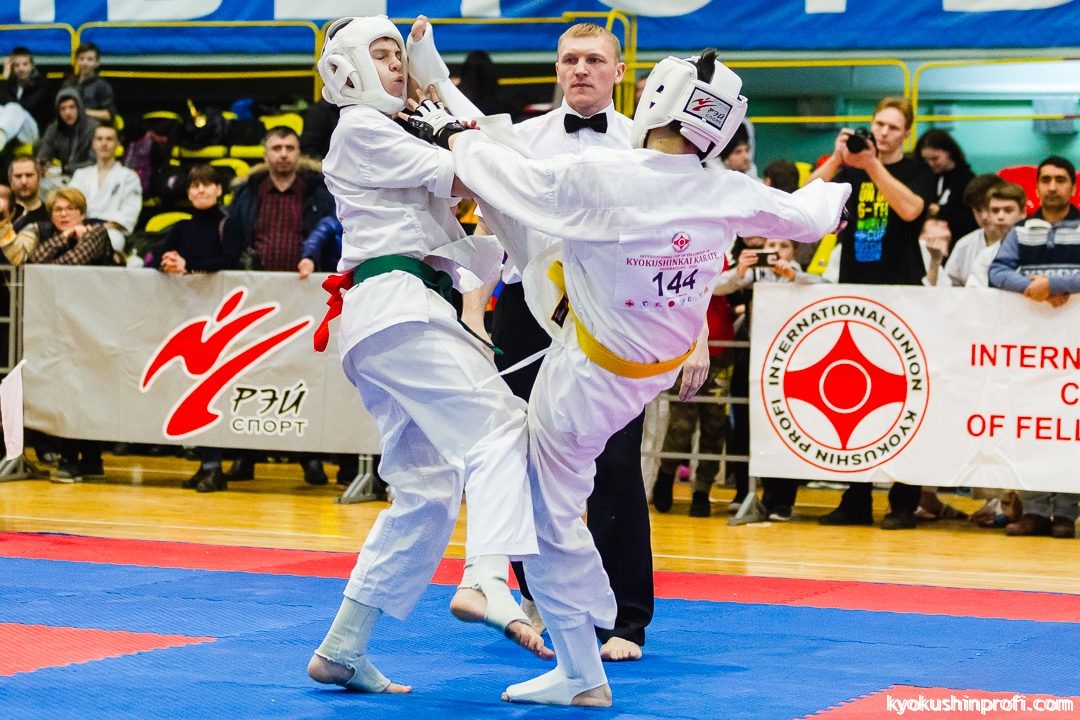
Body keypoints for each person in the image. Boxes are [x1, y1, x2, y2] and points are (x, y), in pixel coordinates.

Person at [404, 42, 848, 705]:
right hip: (638, 365)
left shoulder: (604, 177)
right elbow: (810, 216)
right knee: (531, 235)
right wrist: (837, 188)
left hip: (587, 375)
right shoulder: (726, 189)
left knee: (545, 512)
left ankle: (550, 635)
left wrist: (448, 132)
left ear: (652, 100)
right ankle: (557, 636)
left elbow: (505, 173)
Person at [304, 15, 550, 697]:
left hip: (395, 313)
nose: (395, 66)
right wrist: (443, 106)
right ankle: (487, 576)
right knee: (501, 429)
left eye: (397, 55)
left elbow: (477, 161)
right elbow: (473, 173)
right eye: (381, 55)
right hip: (397, 307)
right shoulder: (360, 126)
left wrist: (434, 83)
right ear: (349, 70)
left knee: (428, 489)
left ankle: (342, 648)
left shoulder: (390, 127)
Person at [457, 21, 656, 663]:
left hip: (614, 312)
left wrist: (696, 333)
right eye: (570, 59)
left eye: (594, 59)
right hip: (525, 308)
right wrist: (474, 309)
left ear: (618, 72)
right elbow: (488, 225)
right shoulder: (521, 139)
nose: (581, 69)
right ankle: (538, 595)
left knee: (615, 463)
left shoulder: (647, 145)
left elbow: (678, 240)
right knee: (525, 456)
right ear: (557, 69)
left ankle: (626, 618)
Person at [806, 96, 936, 530]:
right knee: (851, 394)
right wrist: (838, 160)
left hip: (902, 294)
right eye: (879, 124)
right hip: (856, 292)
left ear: (906, 134)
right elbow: (804, 203)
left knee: (905, 398)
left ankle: (904, 502)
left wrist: (872, 165)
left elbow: (911, 210)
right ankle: (856, 498)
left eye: (893, 127)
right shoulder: (849, 168)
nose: (883, 133)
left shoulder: (917, 170)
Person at [222, 125, 335, 486]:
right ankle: (245, 455)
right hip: (256, 297)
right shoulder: (248, 193)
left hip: (307, 295)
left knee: (306, 376)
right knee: (250, 373)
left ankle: (310, 457)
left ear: (298, 152)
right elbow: (233, 238)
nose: (283, 153)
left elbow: (333, 236)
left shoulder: (319, 192)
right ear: (265, 153)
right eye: (276, 147)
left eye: (289, 147)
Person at [988, 155, 1080, 540]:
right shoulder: (1021, 230)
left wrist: (1055, 285)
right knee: (1031, 426)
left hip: (1074, 351)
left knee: (1070, 429)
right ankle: (1036, 511)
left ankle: (1067, 514)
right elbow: (996, 271)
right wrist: (1032, 288)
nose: (1053, 186)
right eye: (1046, 180)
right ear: (1037, 186)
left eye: (1060, 179)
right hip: (1032, 348)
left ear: (1072, 186)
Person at [148, 164, 239, 492]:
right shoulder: (182, 227)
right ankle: (207, 464)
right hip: (188, 321)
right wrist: (168, 263)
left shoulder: (229, 224)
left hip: (221, 319)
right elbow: (157, 255)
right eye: (195, 186)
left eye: (207, 185)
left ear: (219, 190)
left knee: (213, 392)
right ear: (188, 192)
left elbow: (230, 260)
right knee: (193, 392)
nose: (201, 190)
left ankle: (215, 466)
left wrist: (190, 267)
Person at [68, 124, 142, 254]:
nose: (104, 143)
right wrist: (81, 227)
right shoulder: (81, 174)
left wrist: (98, 230)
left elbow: (129, 211)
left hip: (111, 230)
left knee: (113, 242)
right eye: (99, 139)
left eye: (109, 139)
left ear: (117, 144)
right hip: (82, 226)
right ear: (93, 144)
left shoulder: (129, 177)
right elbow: (70, 203)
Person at [914, 128, 977, 245]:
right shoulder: (928, 177)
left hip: (959, 240)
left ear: (949, 152)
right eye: (925, 160)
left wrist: (939, 211)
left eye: (935, 158)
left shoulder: (967, 180)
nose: (930, 164)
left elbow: (970, 218)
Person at [36, 87, 98, 180]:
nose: (67, 112)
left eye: (72, 107)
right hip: (62, 177)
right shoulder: (54, 128)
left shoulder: (94, 128)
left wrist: (66, 169)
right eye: (63, 109)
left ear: (79, 108)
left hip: (89, 177)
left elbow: (94, 162)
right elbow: (44, 153)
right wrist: (41, 164)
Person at [60, 43, 116, 125]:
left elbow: (108, 115)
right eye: (81, 59)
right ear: (76, 61)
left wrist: (82, 112)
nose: (85, 63)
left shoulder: (103, 85)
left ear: (97, 63)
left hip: (93, 129)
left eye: (90, 59)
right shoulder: (67, 84)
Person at [2, 47, 52, 133]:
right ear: (12, 68)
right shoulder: (11, 85)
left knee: (13, 108)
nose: (21, 69)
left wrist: (5, 79)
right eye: (16, 65)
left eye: (25, 64)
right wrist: (5, 78)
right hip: (12, 131)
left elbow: (24, 107)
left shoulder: (42, 85)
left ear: (32, 66)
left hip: (35, 131)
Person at [8, 156, 48, 231]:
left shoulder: (51, 214)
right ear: (10, 182)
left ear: (39, 179)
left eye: (29, 175)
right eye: (18, 176)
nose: (24, 181)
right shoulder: (3, 214)